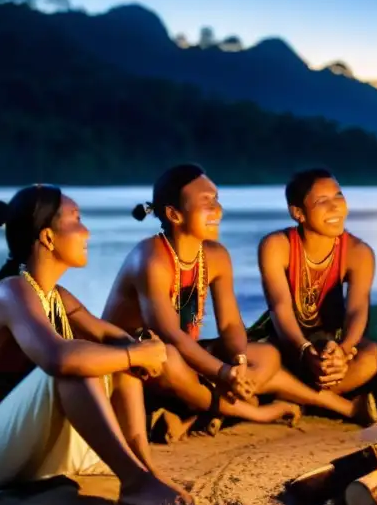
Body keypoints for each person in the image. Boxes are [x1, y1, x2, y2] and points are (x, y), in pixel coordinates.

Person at [0, 185, 194, 505]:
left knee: (106, 356)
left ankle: (144, 468)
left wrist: (142, 347)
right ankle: (134, 482)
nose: (86, 230)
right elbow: (59, 358)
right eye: (77, 220)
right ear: (47, 237)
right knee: (73, 364)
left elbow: (114, 338)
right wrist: (136, 354)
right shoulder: (11, 292)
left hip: (23, 452)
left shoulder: (57, 296)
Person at [102, 164, 344, 438]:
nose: (217, 210)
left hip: (184, 357)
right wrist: (223, 373)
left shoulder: (215, 256)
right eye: (206, 202)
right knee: (167, 358)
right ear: (174, 214)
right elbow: (170, 335)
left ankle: (196, 413)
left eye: (217, 199)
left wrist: (238, 361)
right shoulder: (151, 258)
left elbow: (229, 323)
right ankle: (252, 412)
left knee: (266, 355)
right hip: (135, 367)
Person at [249, 169, 377, 424]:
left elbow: (357, 309)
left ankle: (292, 395)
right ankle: (331, 403)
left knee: (375, 355)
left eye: (338, 196)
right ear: (298, 213)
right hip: (283, 341)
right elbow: (279, 306)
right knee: (255, 362)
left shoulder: (358, 252)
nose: (335, 207)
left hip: (331, 344)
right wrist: (303, 348)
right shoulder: (277, 246)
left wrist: (343, 351)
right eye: (322, 201)